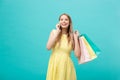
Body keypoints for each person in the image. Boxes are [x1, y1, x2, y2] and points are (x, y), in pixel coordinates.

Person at [46, 13, 81, 80]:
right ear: (59, 22)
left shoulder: (72, 37)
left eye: (66, 19)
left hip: (66, 66)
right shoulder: (54, 32)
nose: (63, 21)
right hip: (54, 64)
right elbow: (48, 47)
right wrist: (57, 33)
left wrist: (76, 38)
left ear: (69, 22)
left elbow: (77, 55)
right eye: (61, 19)